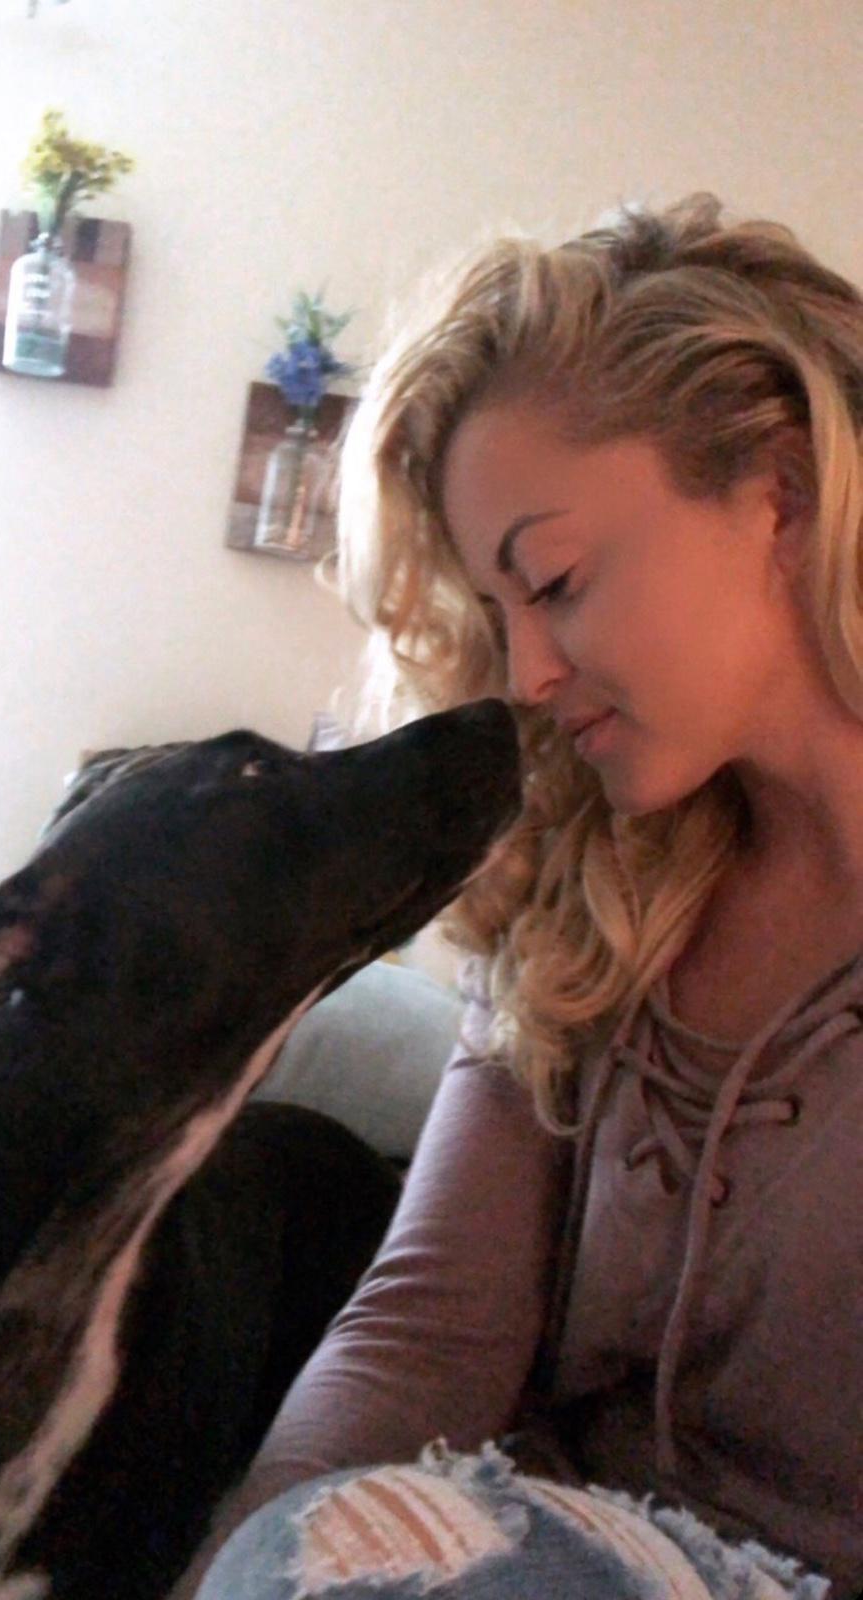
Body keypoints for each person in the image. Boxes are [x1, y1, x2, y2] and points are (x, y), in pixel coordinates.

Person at [176, 193, 863, 1600]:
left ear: (780, 492)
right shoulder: (583, 881)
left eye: (552, 580)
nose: (528, 675)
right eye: (497, 617)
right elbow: (422, 1335)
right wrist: (259, 1559)